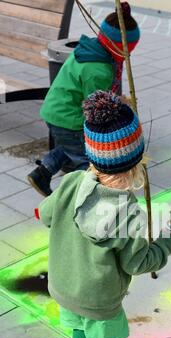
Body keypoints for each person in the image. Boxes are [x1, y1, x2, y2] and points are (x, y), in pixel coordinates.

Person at [38, 91, 171, 338]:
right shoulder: (128, 213)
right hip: (97, 295)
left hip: (64, 284)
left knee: (78, 326)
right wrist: (168, 242)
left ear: (93, 154)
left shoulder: (73, 181)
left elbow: (47, 215)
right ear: (136, 163)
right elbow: (138, 262)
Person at [28, 2, 140, 197]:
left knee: (68, 146)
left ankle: (42, 173)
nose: (129, 54)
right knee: (86, 158)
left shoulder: (90, 49)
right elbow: (95, 106)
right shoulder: (99, 69)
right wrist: (118, 104)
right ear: (120, 46)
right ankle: (83, 194)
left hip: (55, 111)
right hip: (69, 118)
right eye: (128, 50)